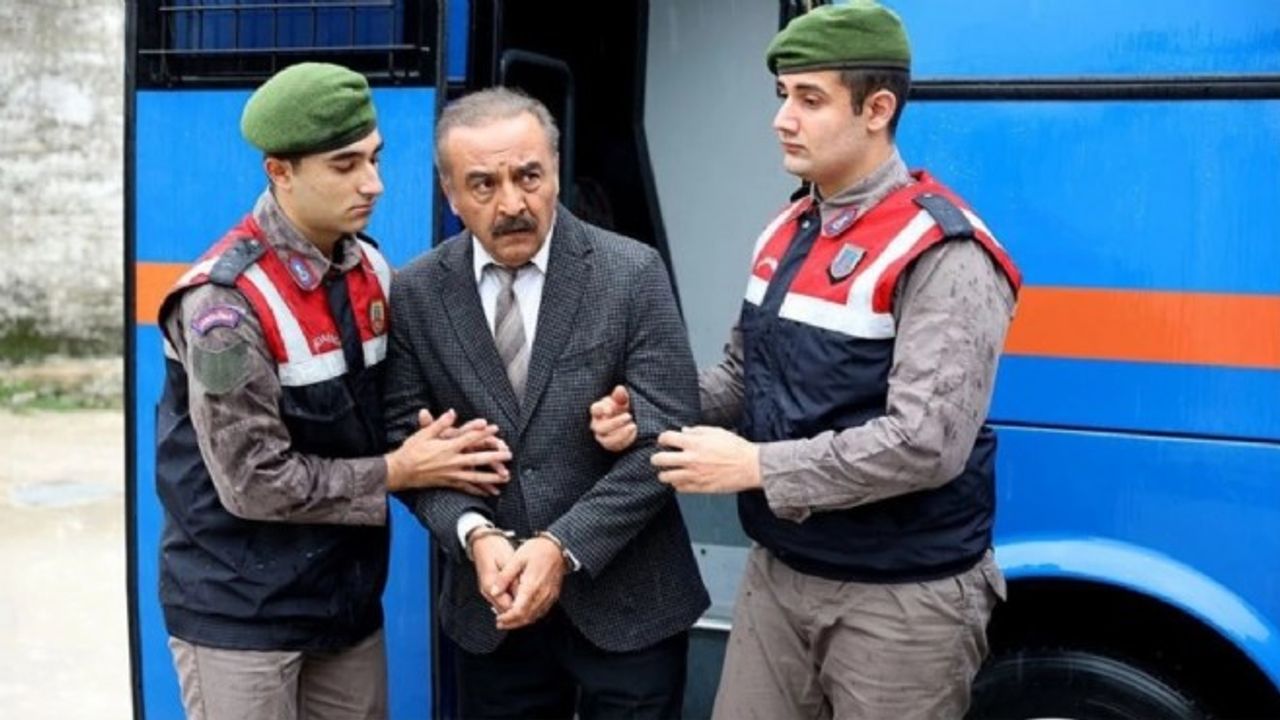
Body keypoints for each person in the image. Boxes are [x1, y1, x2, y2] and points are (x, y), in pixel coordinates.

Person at [590, 3, 1022, 718]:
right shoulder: (788, 228)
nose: (781, 119)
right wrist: (649, 411)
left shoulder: (943, 249)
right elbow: (742, 377)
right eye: (782, 95)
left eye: (810, 100)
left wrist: (757, 467)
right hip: (780, 574)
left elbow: (927, 443)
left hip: (900, 597)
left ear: (877, 109)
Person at [154, 62, 512, 720]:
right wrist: (398, 470)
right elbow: (253, 481)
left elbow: (406, 408)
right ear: (280, 171)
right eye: (345, 165)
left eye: (374, 159)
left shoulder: (370, 267)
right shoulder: (224, 305)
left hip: (344, 605)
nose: (372, 183)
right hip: (241, 614)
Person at [383, 87, 709, 720]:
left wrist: (563, 546)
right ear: (450, 193)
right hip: (493, 610)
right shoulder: (417, 292)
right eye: (483, 184)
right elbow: (409, 444)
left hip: (632, 607)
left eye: (528, 176)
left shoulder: (632, 272)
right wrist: (474, 534)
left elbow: (669, 431)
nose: (512, 203)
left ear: (555, 171)